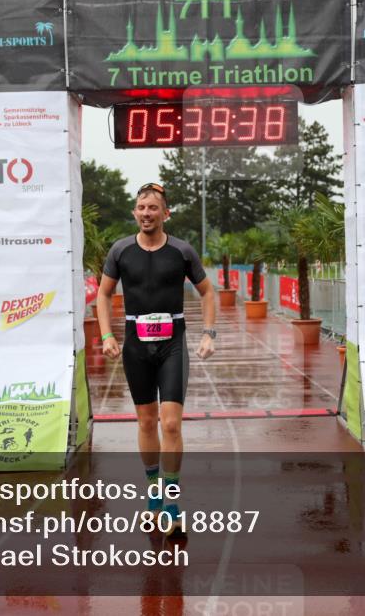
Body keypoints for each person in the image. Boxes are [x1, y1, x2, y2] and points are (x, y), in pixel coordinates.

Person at [97, 183, 216, 537]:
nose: (146, 213)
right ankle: (153, 496)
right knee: (147, 423)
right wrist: (106, 335)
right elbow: (103, 295)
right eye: (140, 207)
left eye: (153, 208)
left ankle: (173, 504)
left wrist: (210, 333)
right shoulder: (120, 251)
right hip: (136, 345)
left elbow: (208, 292)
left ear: (166, 213)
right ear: (135, 212)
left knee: (171, 424)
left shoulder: (182, 251)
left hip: (172, 344)